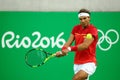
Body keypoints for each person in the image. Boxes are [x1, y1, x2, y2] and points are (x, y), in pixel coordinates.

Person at [56, 8, 98, 80]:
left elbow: (85, 45)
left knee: (76, 78)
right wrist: (62, 51)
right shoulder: (76, 28)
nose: (82, 21)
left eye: (84, 18)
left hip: (89, 62)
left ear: (89, 18)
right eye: (80, 19)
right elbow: (68, 42)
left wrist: (69, 49)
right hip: (77, 63)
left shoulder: (93, 30)